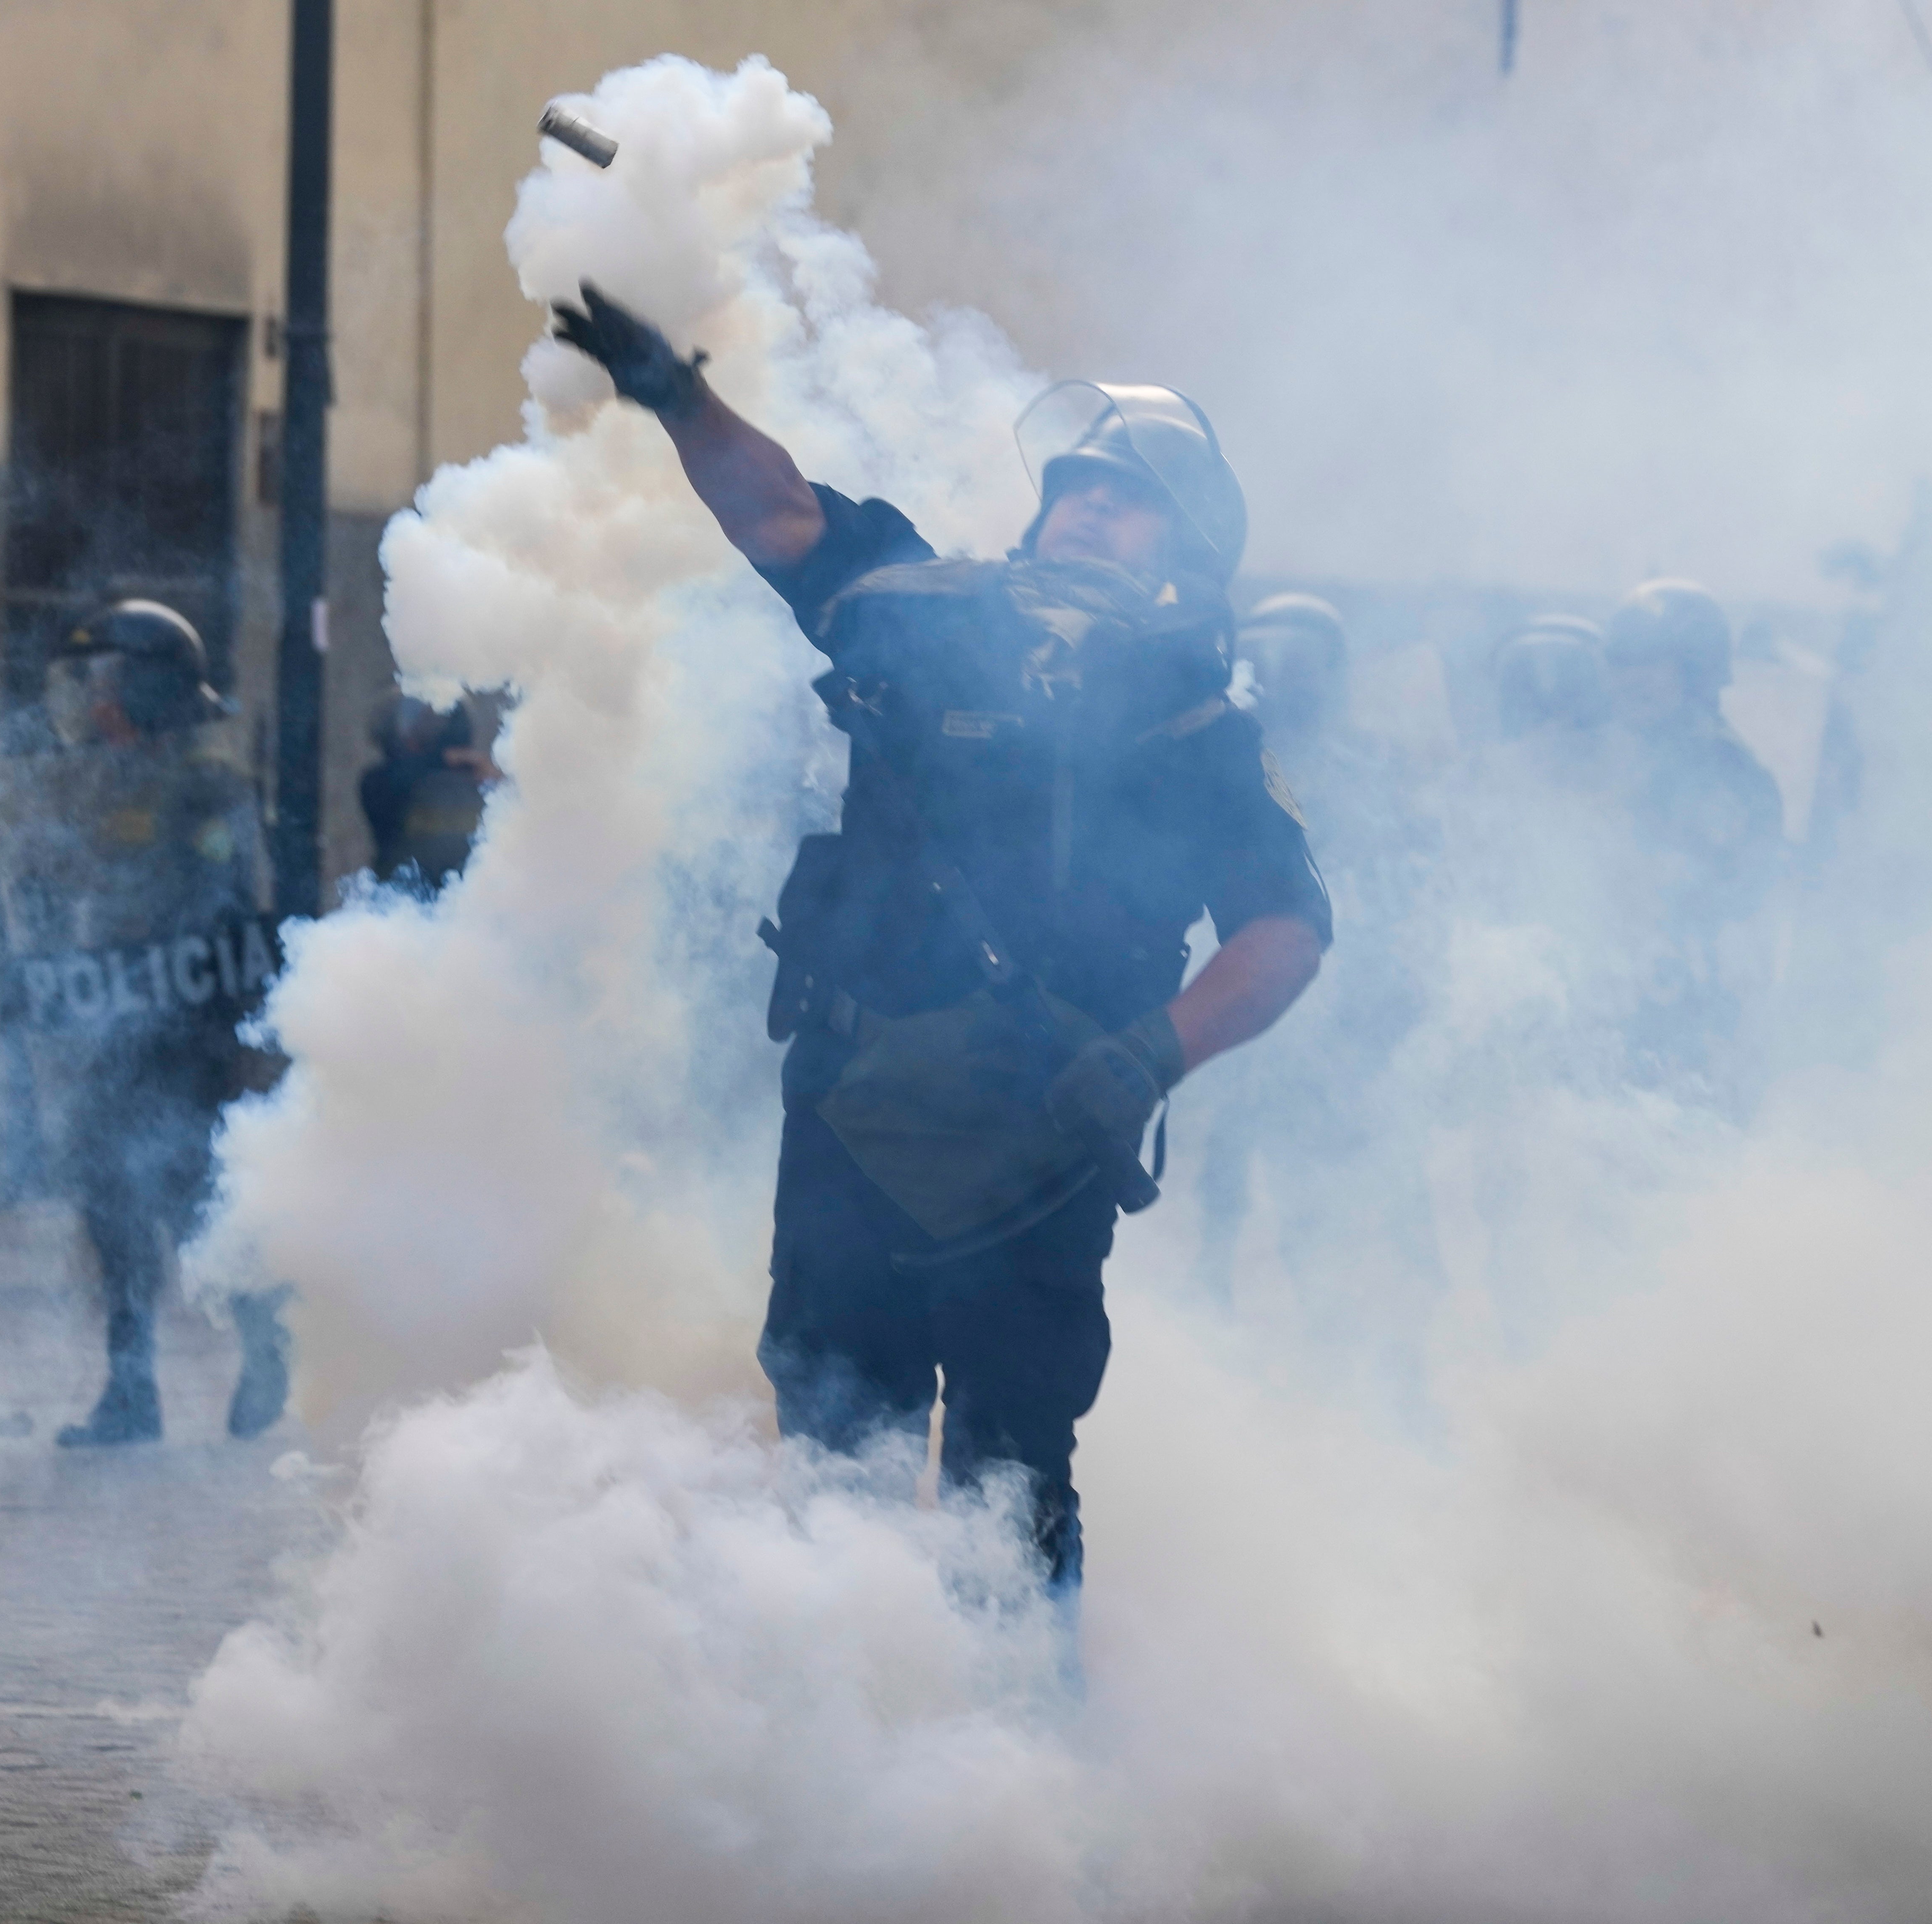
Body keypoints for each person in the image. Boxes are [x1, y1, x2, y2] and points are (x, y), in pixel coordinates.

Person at [552, 284, 1332, 1592]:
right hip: (858, 1110)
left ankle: (1019, 1764)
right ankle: (826, 1738)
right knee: (831, 1454)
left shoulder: (1200, 726)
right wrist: (675, 394)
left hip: (1047, 1137)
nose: (1091, 502)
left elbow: (1288, 927)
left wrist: (1150, 1055)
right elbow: (779, 512)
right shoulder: (923, 602)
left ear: (1180, 549)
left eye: (1129, 496)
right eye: (1078, 483)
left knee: (1007, 1478)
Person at [0, 600, 288, 1446]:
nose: (95, 701)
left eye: (111, 682)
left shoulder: (209, 783)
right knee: (109, 1204)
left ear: (156, 689)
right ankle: (131, 1392)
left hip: (187, 1032)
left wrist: (161, 949)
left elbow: (226, 904)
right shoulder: (99, 780)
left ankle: (266, 1337)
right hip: (112, 1027)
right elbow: (82, 886)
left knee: (192, 1203)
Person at [1185, 596, 1443, 1400]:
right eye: (1271, 653)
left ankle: (1375, 1383)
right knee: (1215, 1205)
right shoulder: (1220, 763)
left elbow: (1406, 903)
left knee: (1338, 1217)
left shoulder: (1371, 775)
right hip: (1240, 1016)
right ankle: (1213, 1362)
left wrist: (1386, 1013)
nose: (1286, 673)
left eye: (1304, 657)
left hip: (1340, 1033)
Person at [1596, 579, 1786, 1109]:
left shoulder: (1724, 773)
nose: (1629, 678)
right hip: (1628, 1023)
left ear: (1697, 670)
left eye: (1651, 661)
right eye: (1621, 659)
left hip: (1686, 1040)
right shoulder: (1622, 760)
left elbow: (1716, 911)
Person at [358, 696, 495, 888]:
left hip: (467, 899)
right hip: (403, 901)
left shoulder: (479, 780)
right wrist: (441, 759)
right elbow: (396, 780)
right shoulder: (382, 783)